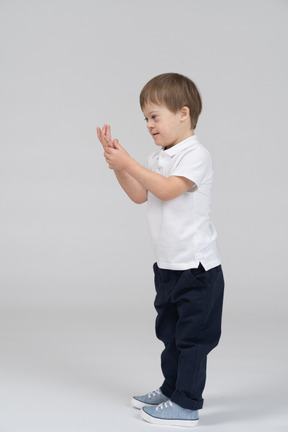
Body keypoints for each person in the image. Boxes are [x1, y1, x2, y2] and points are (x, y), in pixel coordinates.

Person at [97, 73, 224, 428]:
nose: (149, 125)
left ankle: (187, 404)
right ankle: (172, 390)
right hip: (168, 265)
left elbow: (168, 190)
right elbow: (141, 194)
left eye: (155, 116)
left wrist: (128, 163)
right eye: (145, 119)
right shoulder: (157, 158)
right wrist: (118, 167)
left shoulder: (196, 154)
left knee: (192, 339)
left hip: (197, 268)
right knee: (169, 334)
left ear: (183, 113)